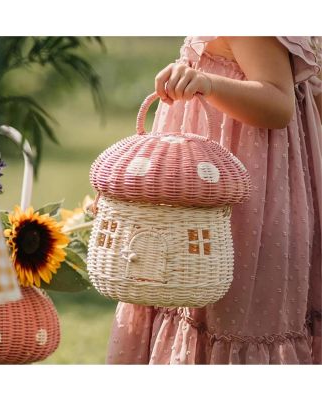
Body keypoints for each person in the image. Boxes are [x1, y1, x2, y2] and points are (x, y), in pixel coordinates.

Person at [106, 36, 322, 364]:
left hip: (241, 193)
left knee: (231, 313)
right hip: (252, 182)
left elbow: (278, 104)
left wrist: (208, 83)